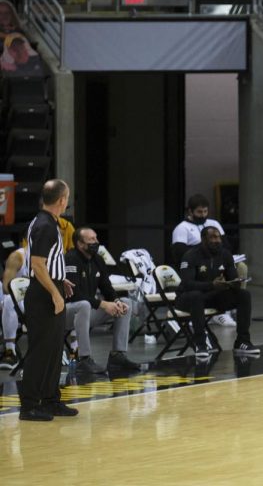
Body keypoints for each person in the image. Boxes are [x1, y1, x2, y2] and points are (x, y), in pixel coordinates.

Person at [19, 179, 78, 421]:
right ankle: (29, 405)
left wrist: (59, 279)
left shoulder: (44, 221)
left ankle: (51, 399)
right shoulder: (45, 225)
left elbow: (45, 264)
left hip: (50, 286)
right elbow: (37, 265)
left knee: (54, 350)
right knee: (40, 351)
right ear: (62, 200)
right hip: (43, 295)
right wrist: (55, 293)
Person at [63, 227, 141, 373]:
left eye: (96, 238)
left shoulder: (97, 259)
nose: (96, 242)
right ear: (80, 244)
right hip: (66, 313)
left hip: (87, 313)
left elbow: (106, 287)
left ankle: (117, 355)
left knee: (126, 302)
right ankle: (84, 359)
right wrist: (103, 304)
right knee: (84, 305)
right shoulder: (70, 259)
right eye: (91, 239)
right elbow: (73, 294)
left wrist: (116, 301)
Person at [176, 226, 259, 359]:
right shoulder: (190, 255)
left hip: (213, 296)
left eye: (219, 237)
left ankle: (242, 342)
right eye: (213, 237)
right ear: (203, 239)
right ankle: (201, 344)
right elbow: (187, 284)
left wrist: (235, 283)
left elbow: (232, 278)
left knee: (244, 295)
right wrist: (211, 284)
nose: (217, 240)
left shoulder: (225, 254)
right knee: (196, 296)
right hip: (187, 298)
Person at [171, 193, 236, 327]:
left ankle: (226, 309)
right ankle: (203, 311)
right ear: (190, 211)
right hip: (197, 264)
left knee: (239, 268)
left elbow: (226, 246)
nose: (203, 215)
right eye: (199, 212)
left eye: (205, 211)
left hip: (217, 261)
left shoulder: (213, 224)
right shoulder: (182, 228)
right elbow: (180, 253)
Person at [1, 244, 28, 368]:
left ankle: (74, 348)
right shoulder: (18, 256)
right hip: (20, 299)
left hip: (42, 301)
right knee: (8, 299)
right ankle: (10, 352)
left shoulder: (54, 255)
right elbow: (6, 287)